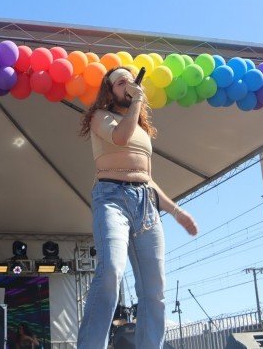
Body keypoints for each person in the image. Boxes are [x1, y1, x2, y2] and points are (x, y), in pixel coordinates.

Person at [77, 66, 198, 348]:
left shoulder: (142, 131)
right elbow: (120, 137)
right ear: (110, 91)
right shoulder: (100, 117)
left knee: (155, 290)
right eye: (120, 83)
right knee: (111, 270)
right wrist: (138, 100)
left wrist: (177, 212)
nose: (128, 86)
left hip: (145, 203)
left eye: (131, 81)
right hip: (111, 197)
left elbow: (148, 180)